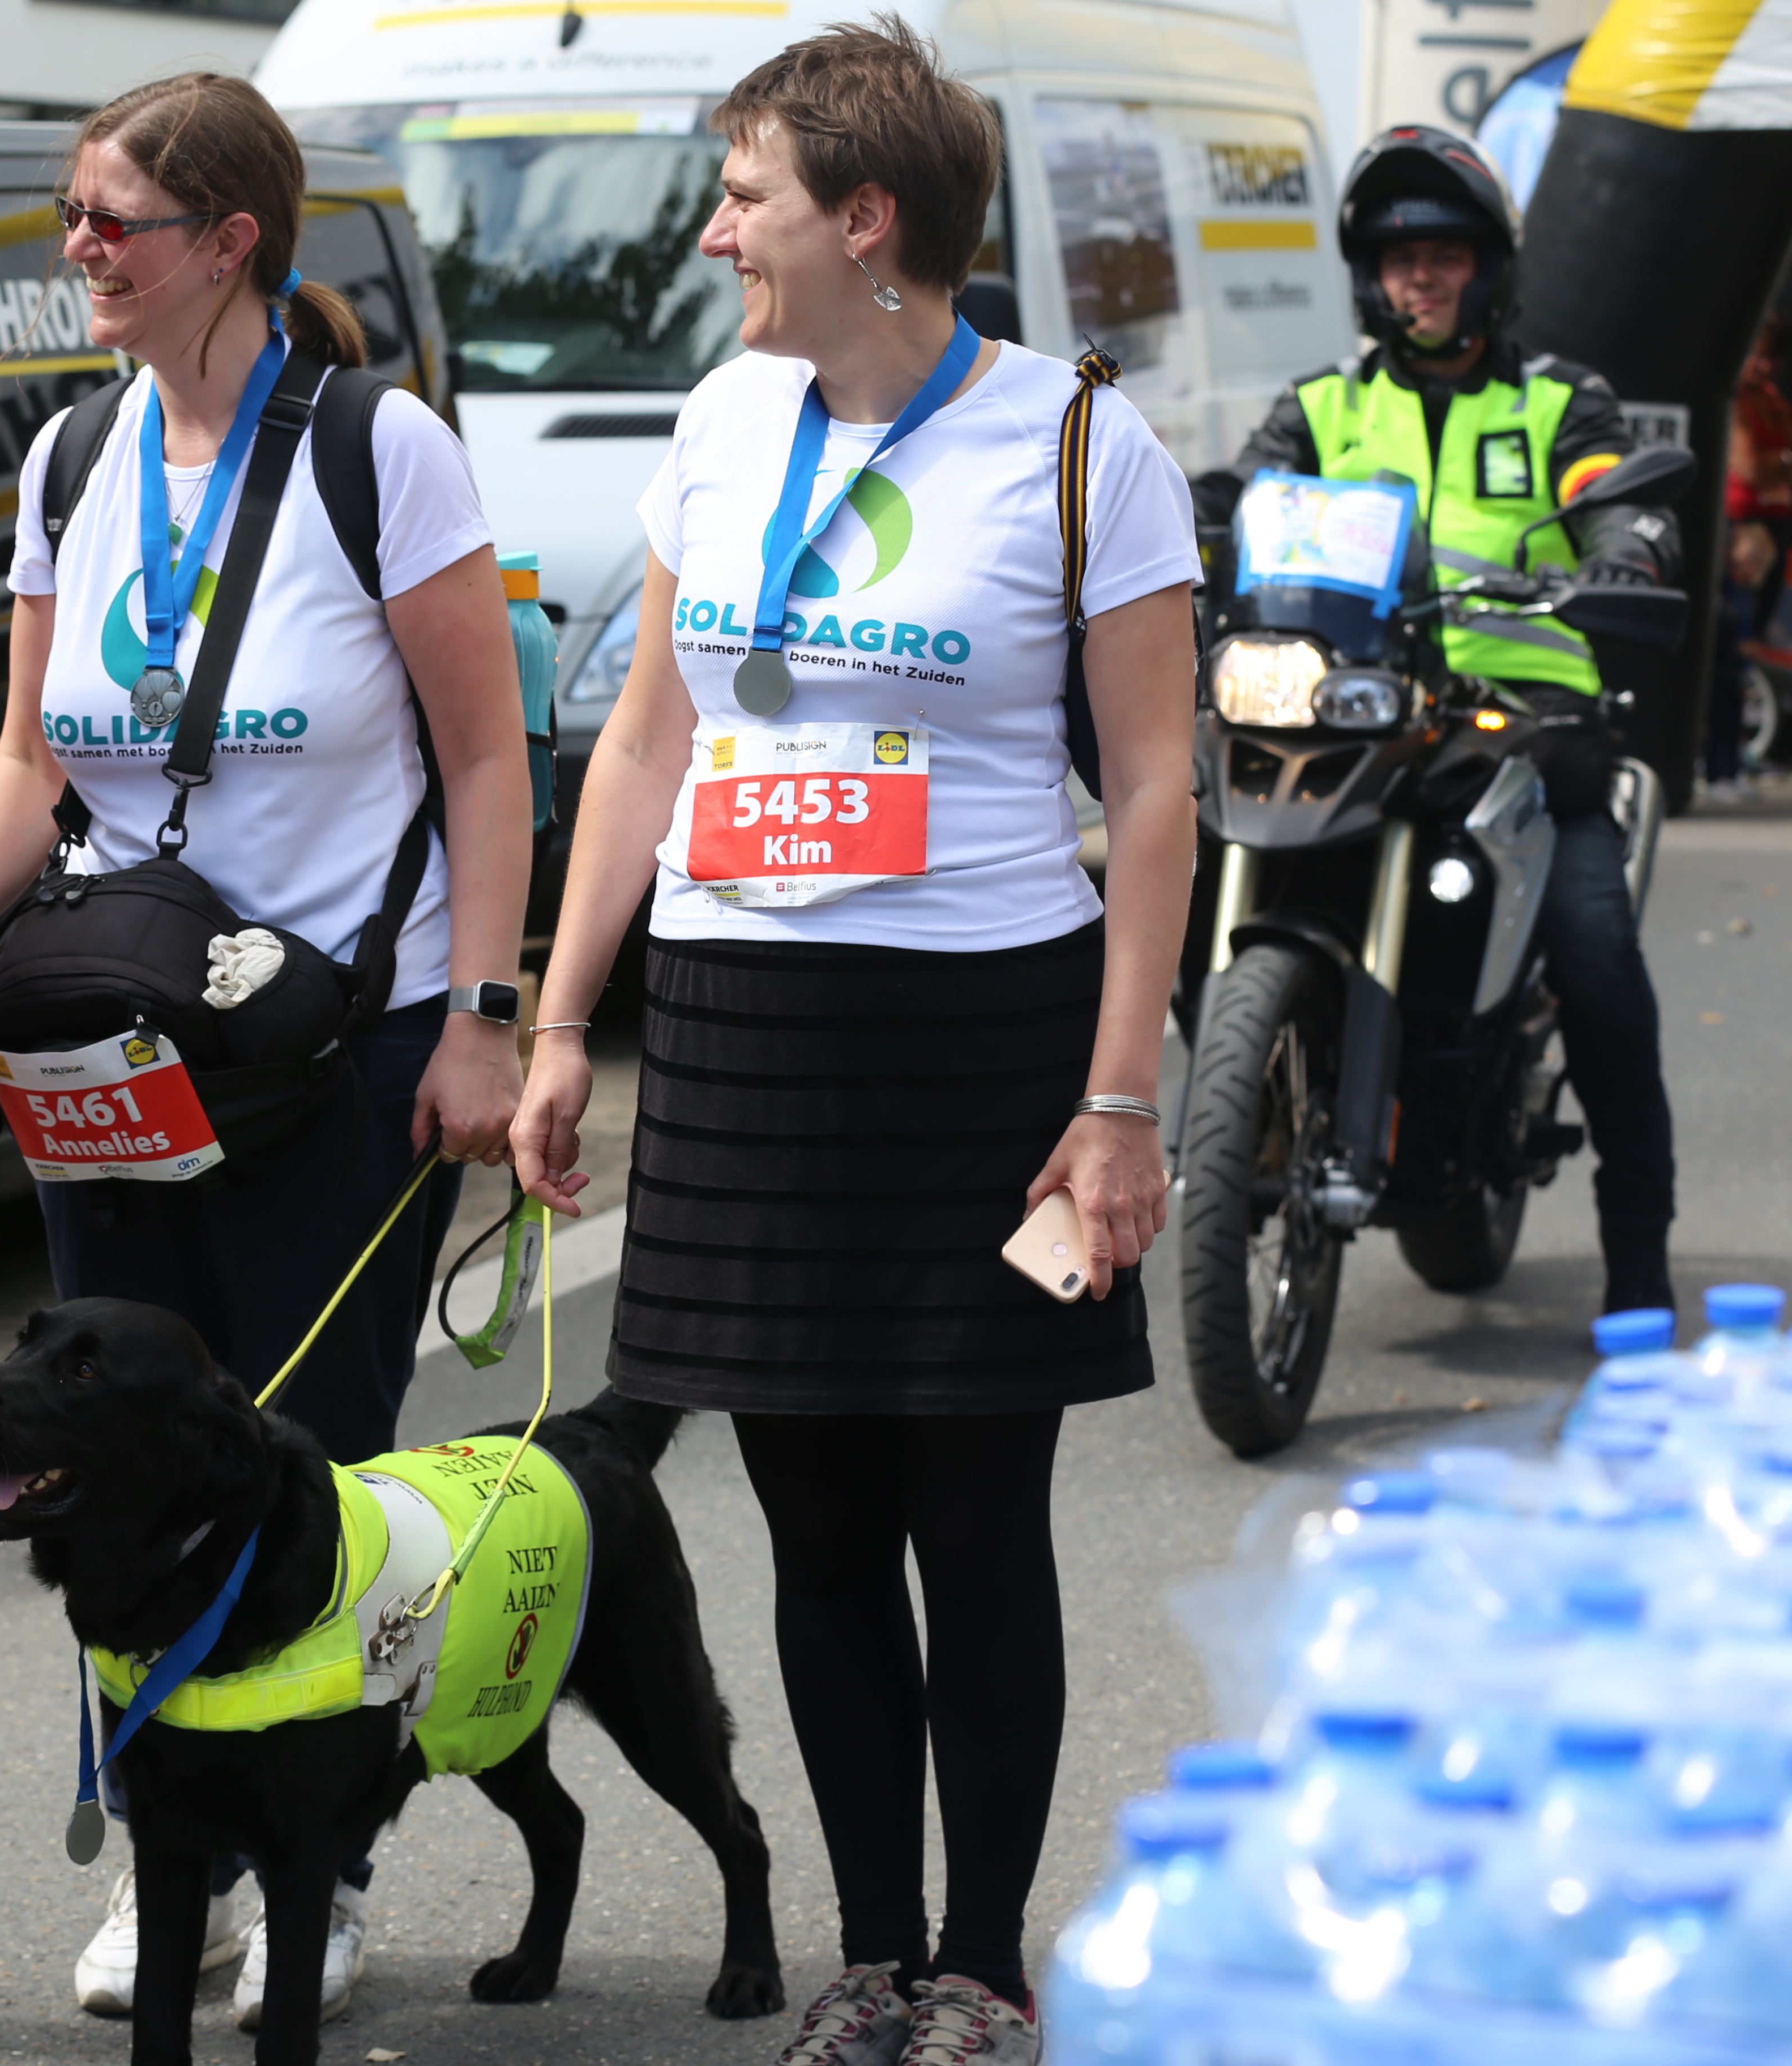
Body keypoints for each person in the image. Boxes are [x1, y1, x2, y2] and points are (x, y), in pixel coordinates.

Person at [512, 24, 1199, 2064]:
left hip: (987, 1030)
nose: (720, 229)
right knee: (813, 1527)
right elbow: (649, 734)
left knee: (977, 1522)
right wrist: (559, 1019)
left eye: (749, 196)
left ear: (864, 219)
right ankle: (873, 1952)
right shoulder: (723, 418)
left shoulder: (1082, 440)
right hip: (743, 1030)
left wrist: (1117, 1091)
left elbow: (1154, 786)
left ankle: (983, 1959)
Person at [0, 71, 528, 2030]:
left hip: (338, 1045)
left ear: (230, 239)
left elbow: (489, 757)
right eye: (70, 212)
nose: (75, 249)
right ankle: (169, 1862)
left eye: (110, 219)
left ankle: (321, 1864)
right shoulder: (73, 459)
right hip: (119, 1052)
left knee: (318, 1463)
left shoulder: (377, 454)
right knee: (94, 1463)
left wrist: (484, 1014)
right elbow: (31, 757)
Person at [1200, 125, 1682, 1313]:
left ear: (1489, 269)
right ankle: (1245, 1111)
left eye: (1448, 253)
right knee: (1197, 838)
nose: (1423, 275)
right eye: (1401, 255)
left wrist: (1622, 551)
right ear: (1371, 273)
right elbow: (1241, 504)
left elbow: (1612, 502)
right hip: (1356, 709)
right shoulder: (1320, 410)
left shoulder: (1558, 405)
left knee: (1598, 956)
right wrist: (1174, 526)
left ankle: (1636, 1261)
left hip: (1520, 725)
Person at [1710, 315, 1790, 796]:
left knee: (1746, 653)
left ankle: (1732, 762)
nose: (1761, 365)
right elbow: (1749, 467)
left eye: (1770, 356)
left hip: (1770, 530)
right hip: (1742, 528)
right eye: (1755, 354)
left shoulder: (1770, 399)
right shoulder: (1736, 399)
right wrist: (1778, 464)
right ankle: (1720, 766)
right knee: (1731, 648)